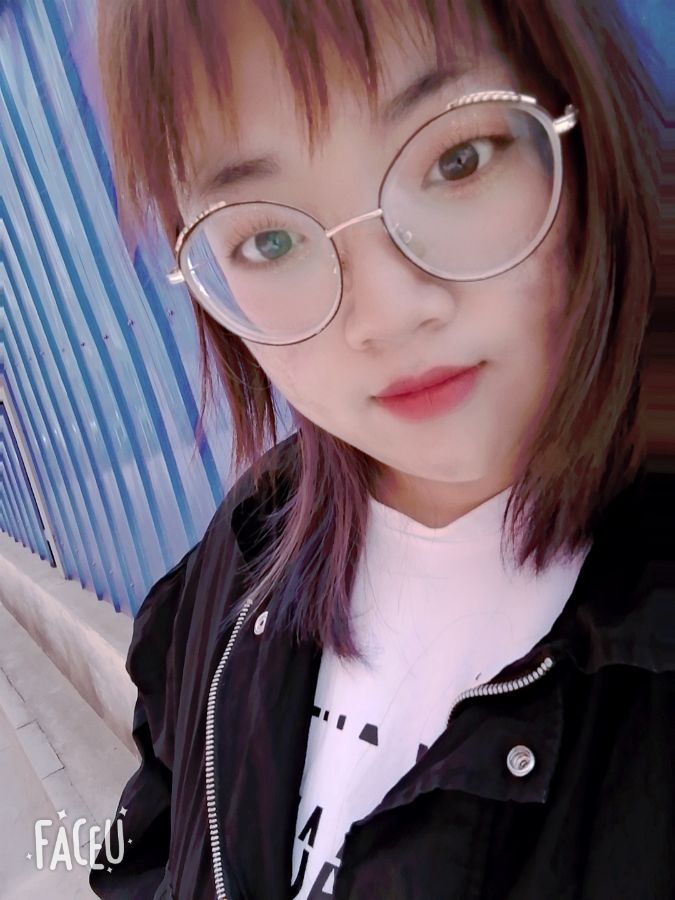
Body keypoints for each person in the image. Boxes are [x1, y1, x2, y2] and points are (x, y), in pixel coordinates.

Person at [92, 1, 674, 898]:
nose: (387, 313)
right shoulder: (245, 556)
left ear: (577, 114)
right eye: (269, 239)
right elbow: (150, 850)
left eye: (457, 159)